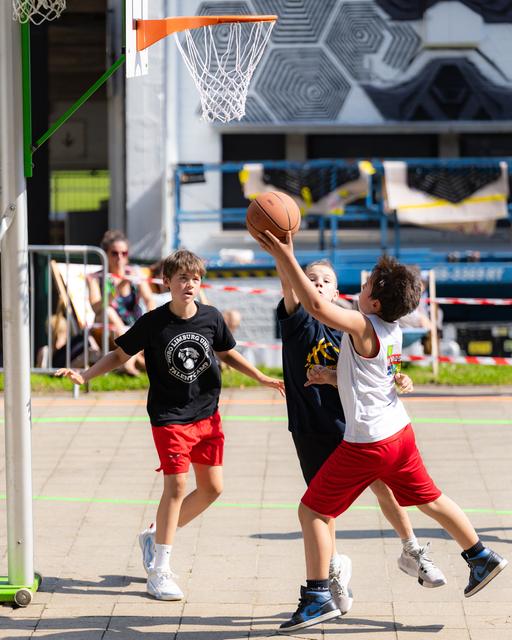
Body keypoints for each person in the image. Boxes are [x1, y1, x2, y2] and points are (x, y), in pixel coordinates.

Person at [257, 231, 507, 633]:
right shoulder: (392, 328)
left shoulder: (362, 324)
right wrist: (328, 374)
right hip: (400, 433)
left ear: (374, 301)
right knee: (431, 499)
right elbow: (364, 377)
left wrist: (286, 254)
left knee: (313, 511)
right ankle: (480, 555)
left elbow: (317, 305)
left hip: (370, 441)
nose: (362, 284)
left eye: (368, 283)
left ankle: (318, 596)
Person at [56, 249, 285, 601]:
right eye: (182, 278)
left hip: (207, 413)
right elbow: (119, 354)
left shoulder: (211, 317)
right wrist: (86, 375)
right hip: (169, 417)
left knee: (212, 489)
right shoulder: (153, 322)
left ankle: (154, 535)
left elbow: (226, 353)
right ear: (167, 283)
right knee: (176, 487)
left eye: (195, 278)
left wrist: (260, 377)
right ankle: (160, 569)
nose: (189, 284)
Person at [276, 259, 446, 617]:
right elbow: (290, 286)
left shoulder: (352, 326)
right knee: (323, 508)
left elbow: (379, 370)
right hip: (309, 426)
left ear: (338, 293)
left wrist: (399, 379)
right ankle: (334, 569)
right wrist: (282, 251)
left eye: (326, 280)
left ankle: (412, 549)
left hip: (351, 425)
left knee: (384, 486)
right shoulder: (298, 320)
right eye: (311, 279)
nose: (318, 284)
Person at [89, 230, 155, 376]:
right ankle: (136, 362)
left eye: (124, 253)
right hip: (108, 328)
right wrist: (117, 289)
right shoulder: (97, 277)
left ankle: (133, 362)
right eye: (114, 253)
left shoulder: (134, 274)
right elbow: (96, 308)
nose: (119, 258)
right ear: (106, 254)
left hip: (133, 324)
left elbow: (149, 299)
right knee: (108, 311)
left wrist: (151, 318)